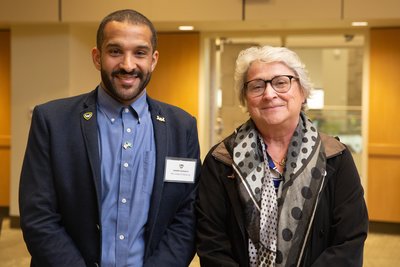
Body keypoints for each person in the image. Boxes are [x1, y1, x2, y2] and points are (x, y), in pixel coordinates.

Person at [19, 9, 201, 267]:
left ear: (153, 59)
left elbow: (187, 216)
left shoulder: (181, 127)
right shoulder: (52, 121)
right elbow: (38, 216)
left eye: (140, 52)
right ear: (97, 57)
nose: (128, 65)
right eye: (115, 51)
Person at [196, 46, 368, 267]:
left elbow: (349, 239)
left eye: (281, 82)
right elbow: (211, 242)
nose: (269, 94)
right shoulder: (221, 159)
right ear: (246, 99)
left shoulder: (336, 156)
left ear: (303, 91)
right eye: (257, 86)